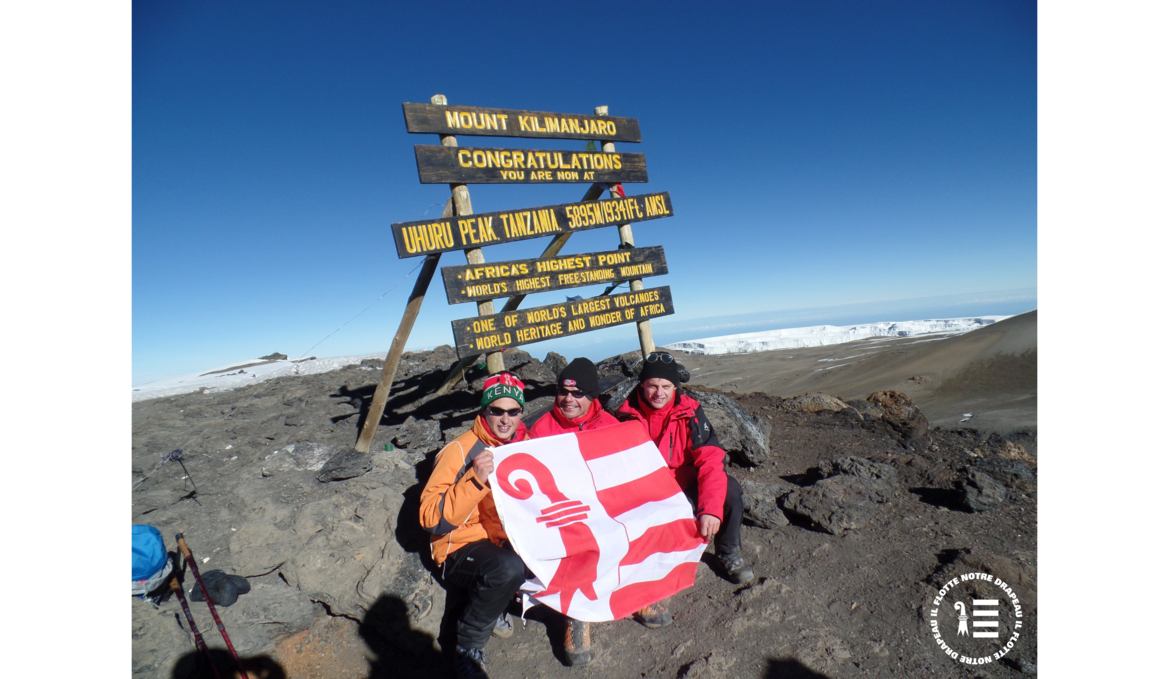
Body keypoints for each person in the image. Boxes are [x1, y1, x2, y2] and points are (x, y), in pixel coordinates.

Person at [616, 351, 755, 627]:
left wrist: (711, 509)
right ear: (642, 384)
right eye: (653, 385)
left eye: (666, 386)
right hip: (648, 493)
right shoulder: (623, 415)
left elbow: (711, 460)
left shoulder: (690, 412)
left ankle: (728, 551)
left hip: (685, 485)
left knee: (730, 491)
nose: (659, 392)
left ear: (675, 387)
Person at [419, 371, 530, 679]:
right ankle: (468, 647)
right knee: (506, 569)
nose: (505, 419)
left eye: (513, 411)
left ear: (521, 413)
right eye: (496, 410)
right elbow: (430, 518)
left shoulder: (525, 444)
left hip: (502, 537)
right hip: (458, 545)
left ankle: (497, 603)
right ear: (484, 411)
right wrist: (474, 479)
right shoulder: (460, 451)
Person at [526, 356, 619, 667]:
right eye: (563, 392)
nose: (568, 399)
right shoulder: (542, 428)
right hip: (564, 511)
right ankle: (576, 617)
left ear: (591, 396)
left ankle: (642, 594)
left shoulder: (610, 426)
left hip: (604, 505)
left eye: (577, 393)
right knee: (576, 542)